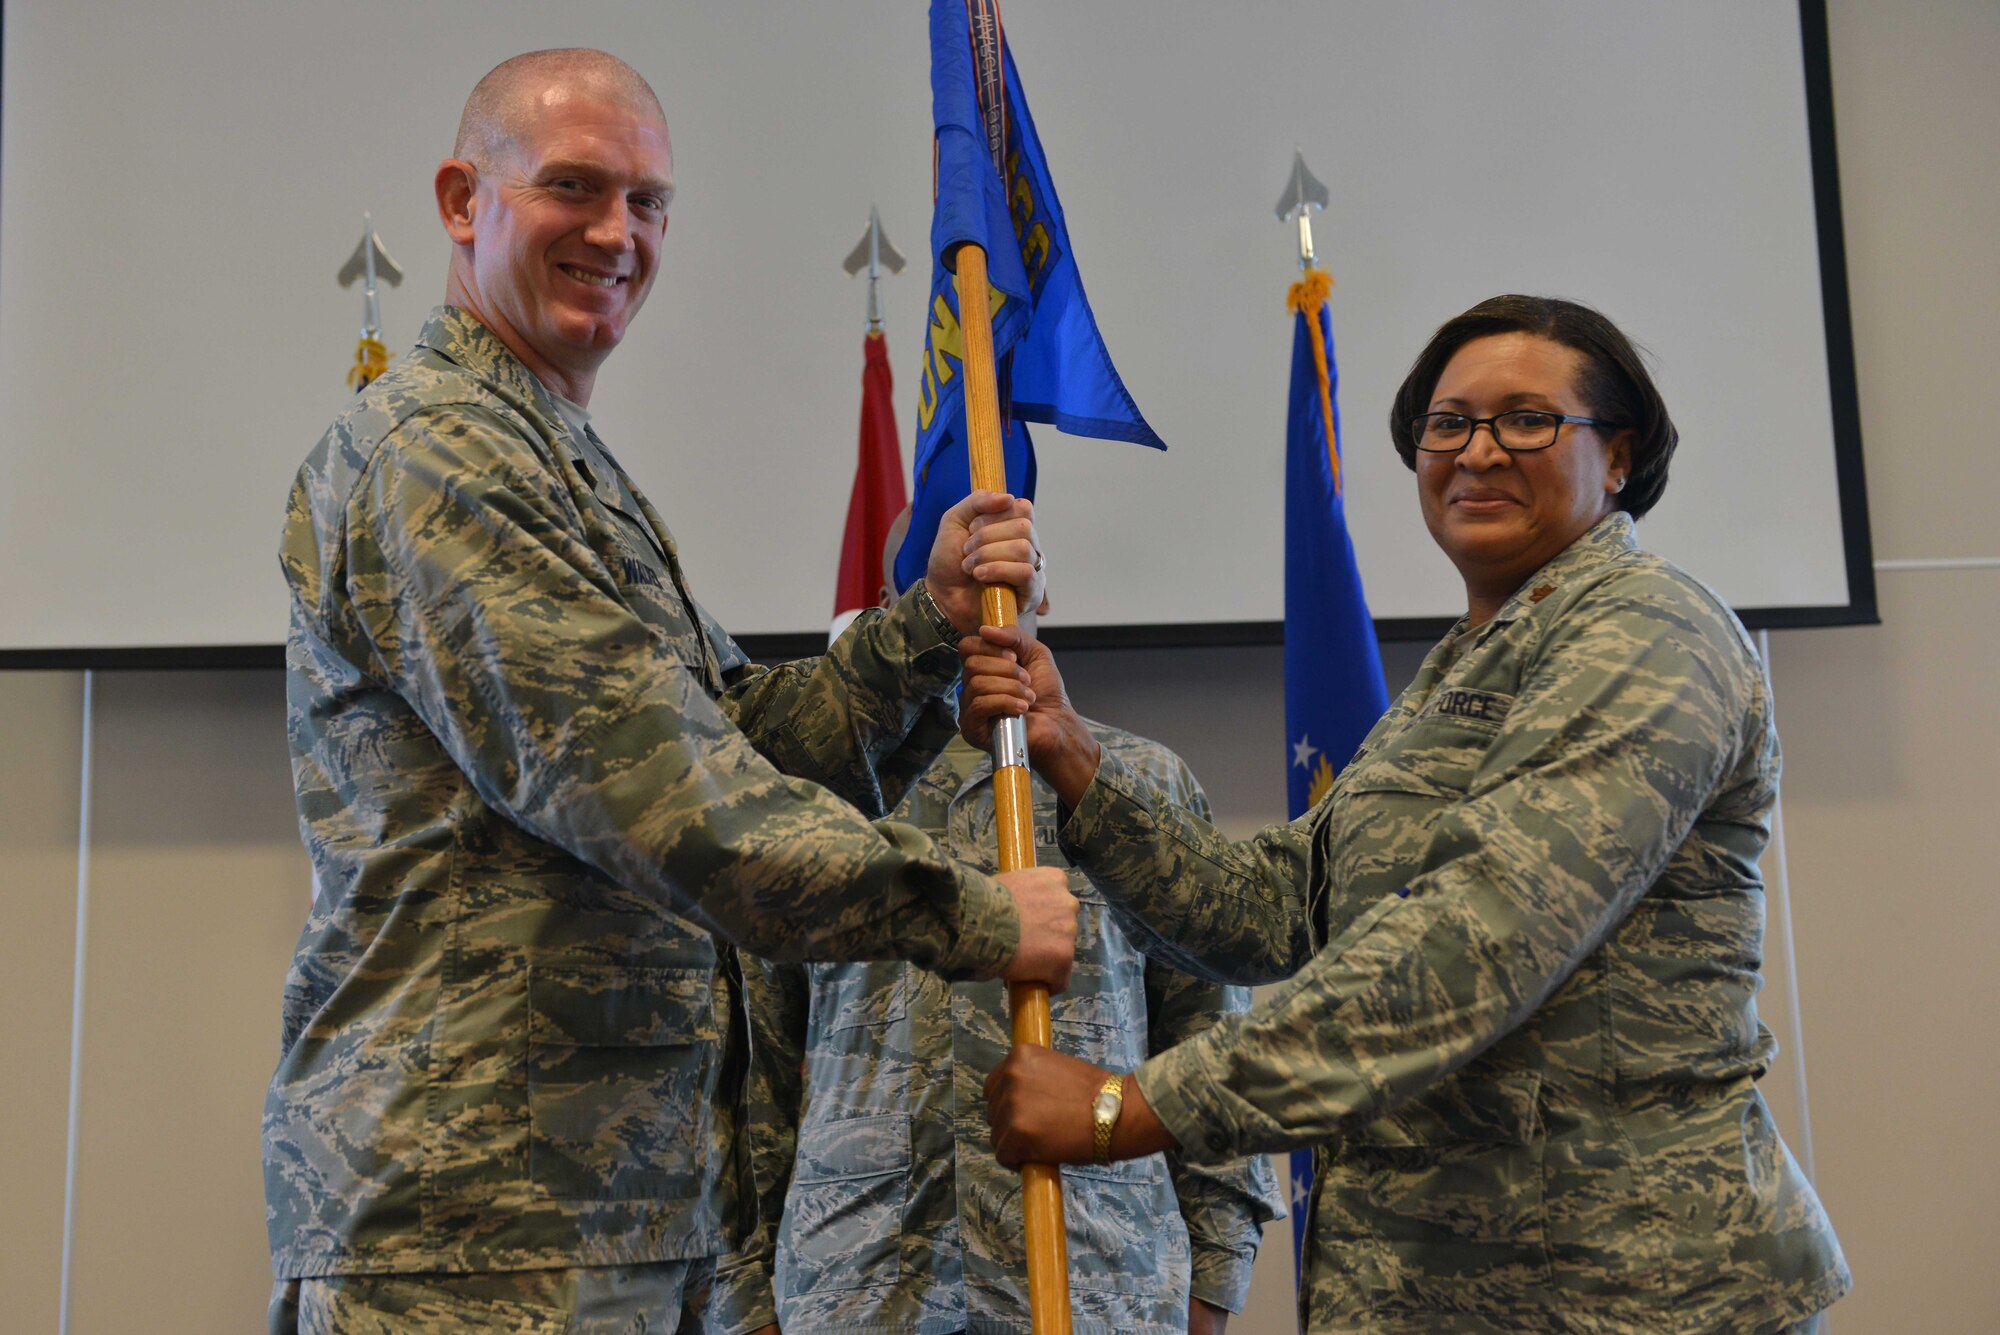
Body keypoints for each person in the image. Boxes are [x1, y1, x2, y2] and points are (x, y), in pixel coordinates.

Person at [265, 49, 1078, 1334]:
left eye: (647, 202)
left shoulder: (555, 453)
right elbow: (653, 793)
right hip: (474, 1232)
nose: (617, 233)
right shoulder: (435, 455)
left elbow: (740, 737)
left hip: (619, 1209)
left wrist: (919, 629)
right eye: (573, 188)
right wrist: (970, 911)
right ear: (461, 197)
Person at [961, 296, 1850, 1333]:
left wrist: (1136, 1106)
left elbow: (1484, 929)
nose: (1475, 452)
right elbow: (1278, 910)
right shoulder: (1461, 665)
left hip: (1627, 1291)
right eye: (1446, 423)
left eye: (1526, 420)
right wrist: (1071, 754)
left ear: (1616, 457)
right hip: (1438, 1289)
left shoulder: (1648, 629)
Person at [710, 532, 1284, 1335]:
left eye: (1009, 574)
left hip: (1101, 1284)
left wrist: (1214, 1282)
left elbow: (1210, 1038)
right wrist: (743, 1303)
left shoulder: (1136, 784)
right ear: (897, 604)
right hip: (862, 1288)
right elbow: (749, 1070)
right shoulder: (815, 796)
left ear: (1041, 594)